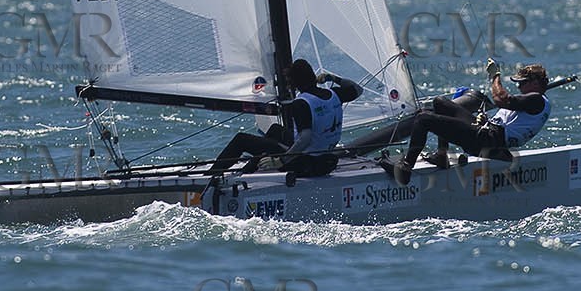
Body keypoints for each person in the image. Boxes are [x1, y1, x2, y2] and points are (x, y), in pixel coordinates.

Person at [390, 60, 553, 186]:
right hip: (488, 134)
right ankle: (441, 156)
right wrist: (485, 119)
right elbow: (508, 121)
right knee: (440, 102)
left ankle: (406, 168)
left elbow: (501, 99)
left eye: (522, 82)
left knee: (423, 118)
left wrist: (495, 76)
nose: (519, 86)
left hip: (486, 141)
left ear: (535, 83)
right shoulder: (532, 101)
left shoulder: (536, 100)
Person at [209, 59, 362, 179]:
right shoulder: (334, 94)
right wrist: (331, 77)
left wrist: (281, 161)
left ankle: (211, 177)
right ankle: (257, 165)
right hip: (326, 158)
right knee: (275, 130)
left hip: (306, 163)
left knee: (241, 139)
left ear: (293, 84)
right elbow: (357, 89)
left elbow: (305, 138)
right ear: (313, 77)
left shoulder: (301, 103)